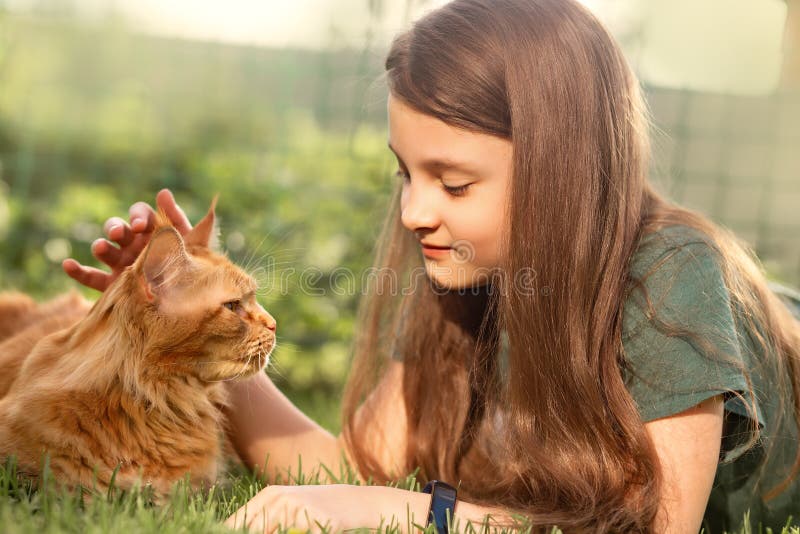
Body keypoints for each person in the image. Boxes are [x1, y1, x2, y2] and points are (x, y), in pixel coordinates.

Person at [61, 0, 800, 532]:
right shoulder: (468, 274)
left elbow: (657, 528)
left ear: (562, 170)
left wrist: (428, 515)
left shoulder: (671, 275)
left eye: (452, 183)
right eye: (404, 175)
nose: (415, 212)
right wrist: (190, 336)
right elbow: (345, 474)